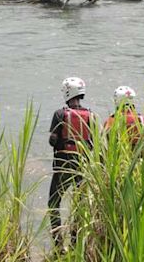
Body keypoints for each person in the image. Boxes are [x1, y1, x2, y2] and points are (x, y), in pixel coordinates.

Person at [48, 76, 94, 250]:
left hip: (62, 165)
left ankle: (59, 245)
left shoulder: (60, 114)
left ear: (67, 92)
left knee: (54, 203)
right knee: (80, 204)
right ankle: (75, 243)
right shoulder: (91, 116)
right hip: (82, 166)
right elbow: (96, 143)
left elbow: (52, 141)